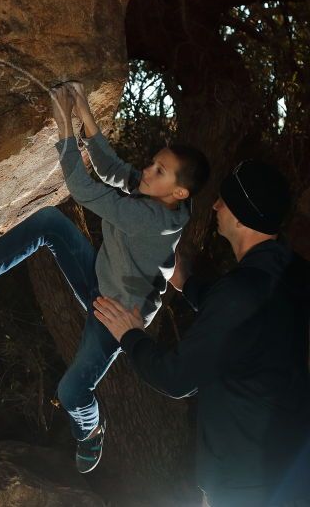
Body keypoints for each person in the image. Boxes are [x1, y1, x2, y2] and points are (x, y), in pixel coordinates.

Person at [0, 81, 210, 472]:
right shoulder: (153, 192)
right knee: (49, 222)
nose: (147, 171)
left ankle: (90, 431)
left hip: (116, 318)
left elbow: (83, 189)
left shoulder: (150, 219)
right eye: (152, 162)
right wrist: (83, 109)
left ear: (178, 193)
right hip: (100, 278)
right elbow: (111, 170)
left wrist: (63, 125)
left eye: (159, 171)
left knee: (72, 391)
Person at [93, 159, 310, 506]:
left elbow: (176, 377)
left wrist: (130, 334)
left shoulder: (241, 292)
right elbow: (245, 315)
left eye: (224, 200)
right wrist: (187, 284)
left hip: (243, 485)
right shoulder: (291, 272)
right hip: (285, 471)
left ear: (241, 218)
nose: (215, 206)